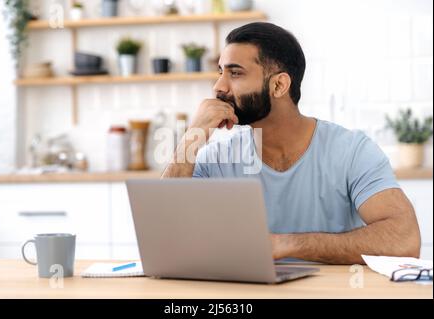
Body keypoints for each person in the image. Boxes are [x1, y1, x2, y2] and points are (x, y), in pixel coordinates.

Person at [161, 22, 421, 264]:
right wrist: (191, 137)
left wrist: (287, 244)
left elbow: (405, 240)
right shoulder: (218, 158)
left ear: (279, 85)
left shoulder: (351, 151)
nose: (219, 87)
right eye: (220, 72)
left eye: (235, 73)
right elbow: (164, 236)